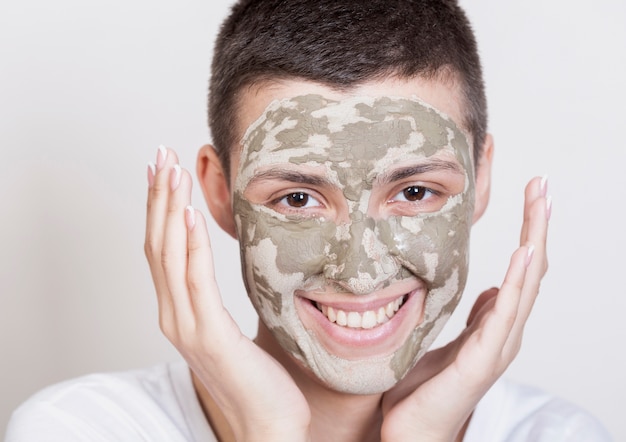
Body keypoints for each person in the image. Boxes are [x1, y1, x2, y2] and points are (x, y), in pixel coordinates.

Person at [6, 0, 611, 441]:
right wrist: (268, 432)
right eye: (298, 199)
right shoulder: (81, 429)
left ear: (480, 179)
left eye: (417, 190)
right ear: (219, 192)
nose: (359, 272)